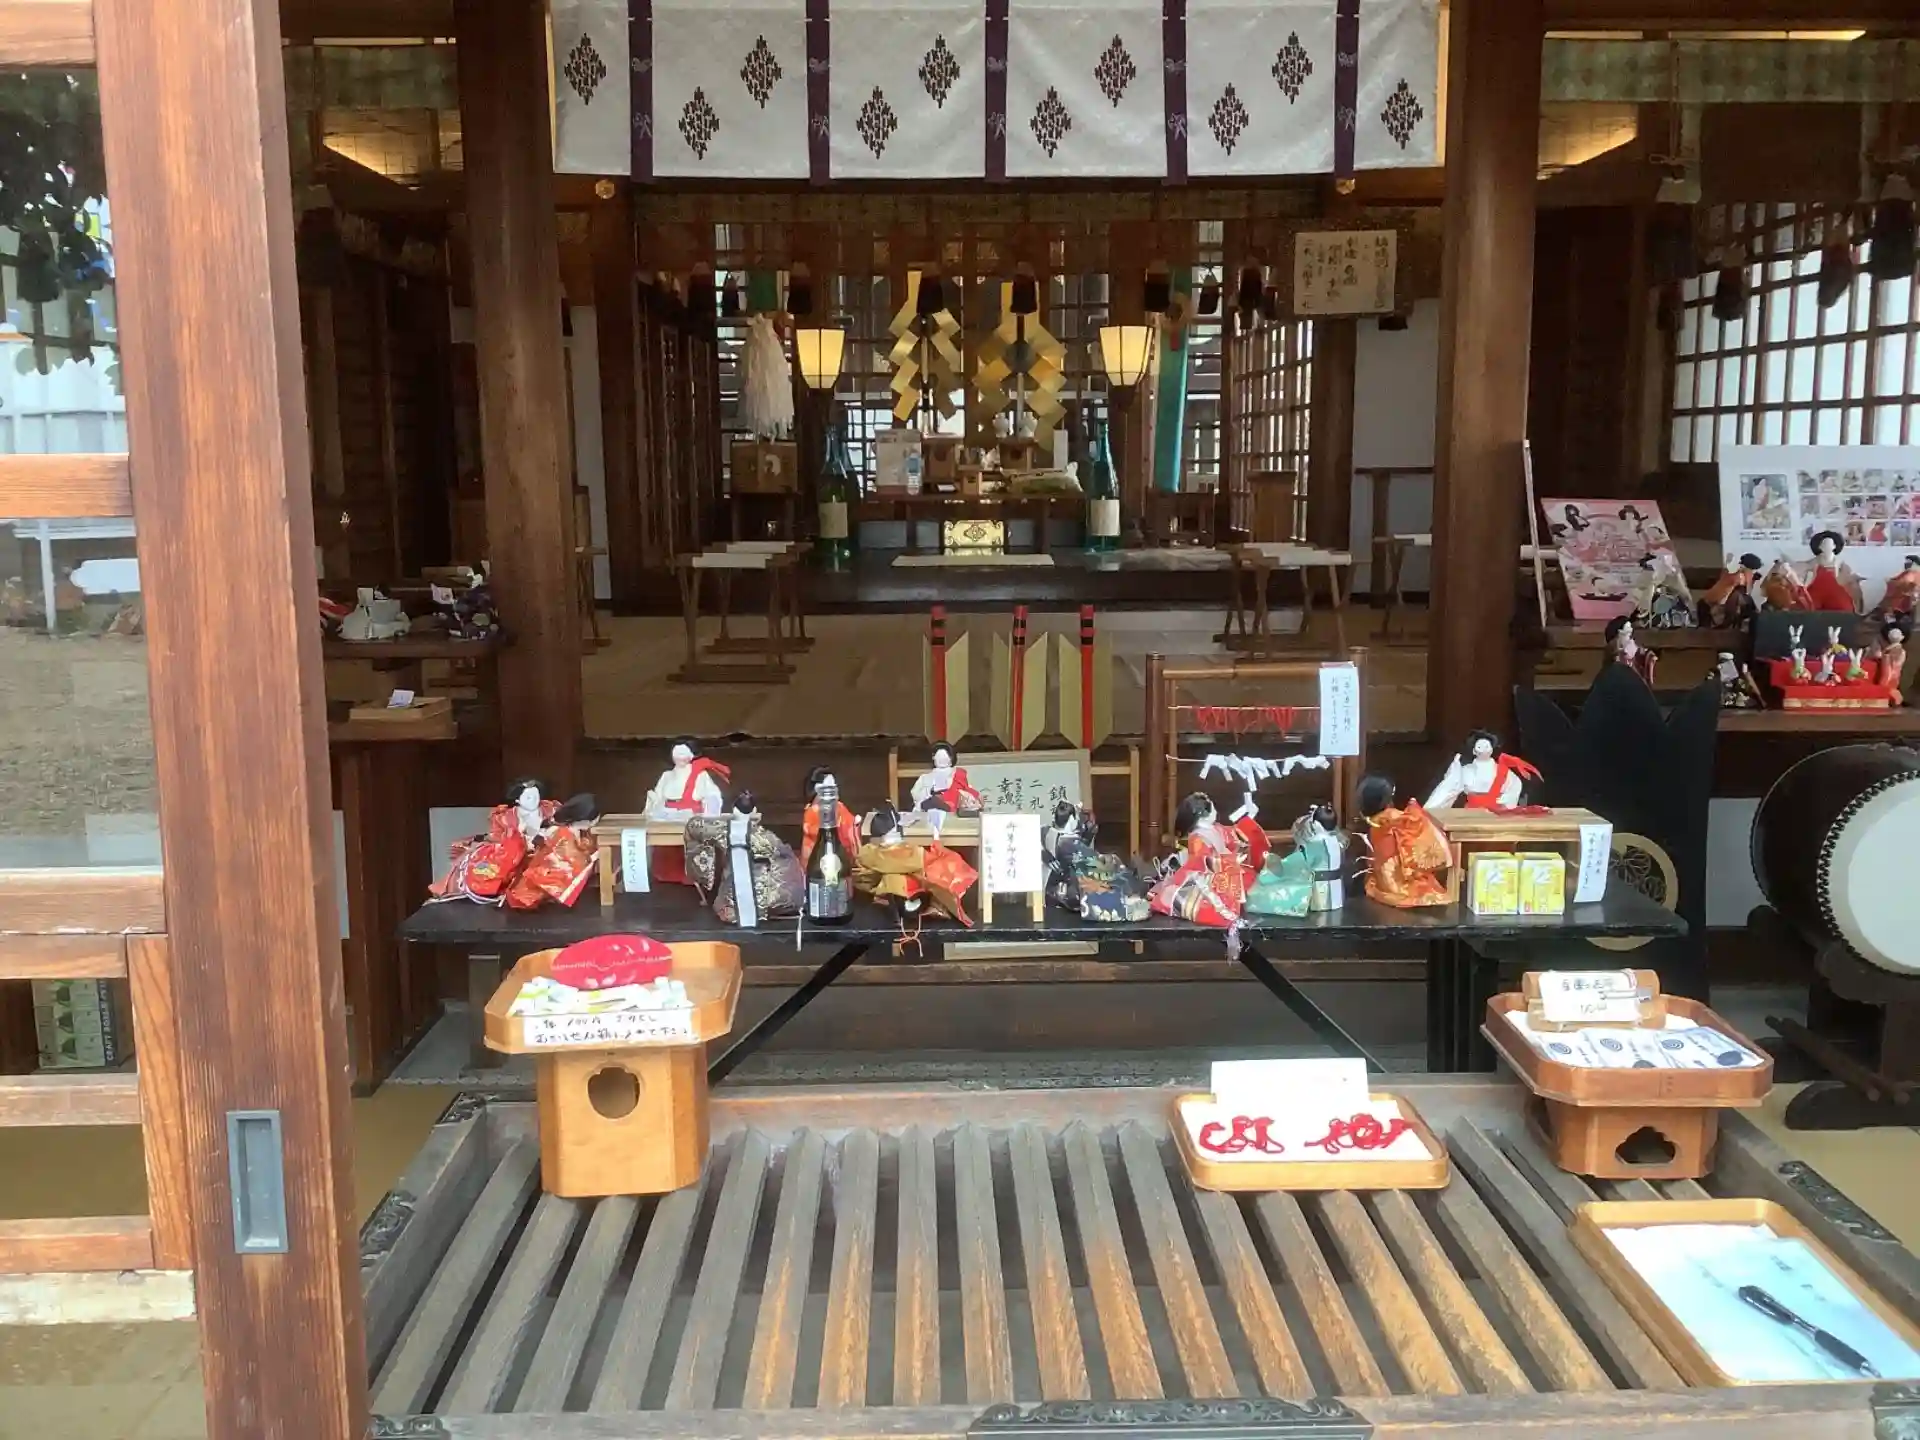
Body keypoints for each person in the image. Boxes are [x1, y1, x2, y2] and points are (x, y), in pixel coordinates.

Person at [1425, 730, 1544, 812]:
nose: (1483, 749)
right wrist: (1431, 810)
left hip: (1496, 812)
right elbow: (1449, 788)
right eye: (1479, 747)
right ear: (1474, 751)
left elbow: (1515, 784)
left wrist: (1506, 800)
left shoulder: (1501, 770)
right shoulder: (1466, 770)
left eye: (1486, 746)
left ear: (1492, 749)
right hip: (1472, 812)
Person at [1805, 530, 1864, 612]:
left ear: (1835, 546)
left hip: (1838, 599)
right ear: (1819, 547)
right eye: (1823, 544)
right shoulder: (1811, 564)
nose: (1826, 547)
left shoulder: (1842, 566)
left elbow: (1853, 588)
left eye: (1829, 544)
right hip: (1815, 597)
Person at [1603, 614, 1659, 686]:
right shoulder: (1615, 662)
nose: (1631, 641)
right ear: (1618, 635)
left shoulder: (1635, 656)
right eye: (1628, 635)